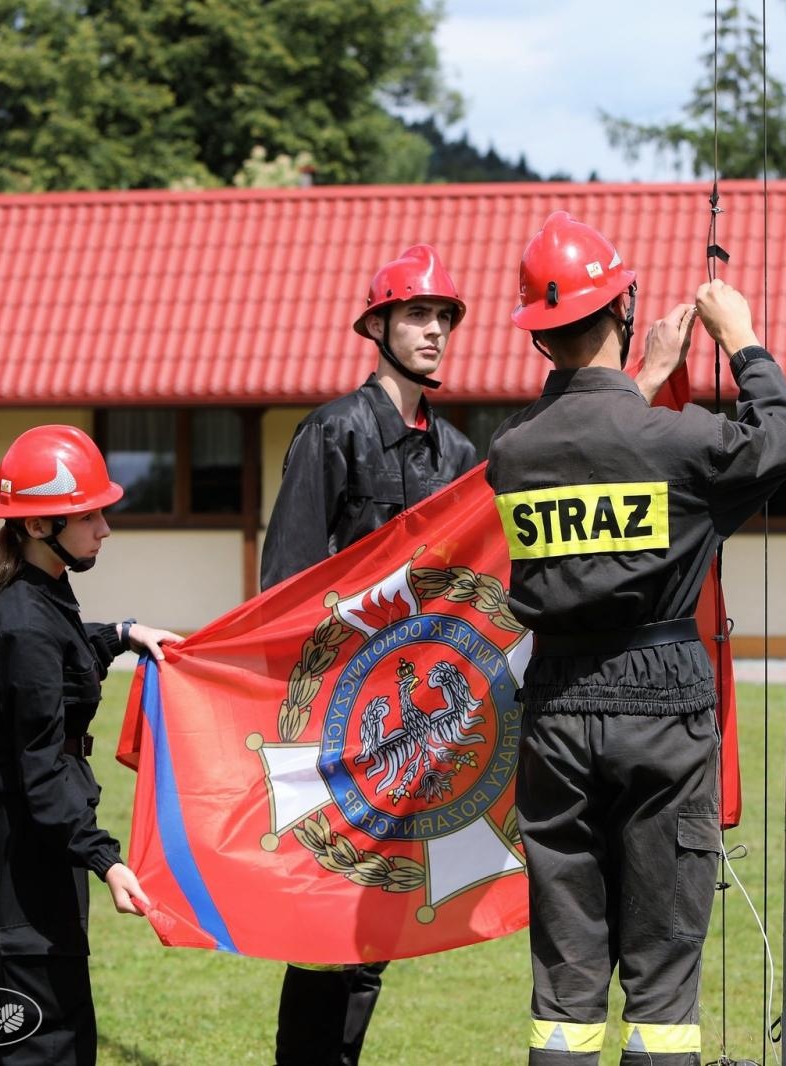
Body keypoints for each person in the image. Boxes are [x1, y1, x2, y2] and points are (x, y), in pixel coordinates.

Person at [485, 212, 786, 1066]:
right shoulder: (679, 443)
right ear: (624, 308)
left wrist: (640, 382)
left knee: (565, 986)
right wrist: (741, 339)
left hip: (554, 711)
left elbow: (591, 448)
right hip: (662, 706)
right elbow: (784, 439)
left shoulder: (513, 453)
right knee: (663, 985)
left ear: (538, 334)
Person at [261, 244, 478, 1066]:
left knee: (374, 921)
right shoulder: (334, 431)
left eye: (444, 317)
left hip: (413, 731)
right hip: (337, 722)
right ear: (377, 327)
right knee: (326, 913)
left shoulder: (458, 457)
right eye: (418, 314)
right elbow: (286, 584)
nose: (434, 330)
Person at [0, 423, 180, 1065]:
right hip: (27, 840)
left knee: (31, 1022)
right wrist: (107, 861)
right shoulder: (25, 623)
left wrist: (123, 634)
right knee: (44, 1038)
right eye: (90, 515)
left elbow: (65, 659)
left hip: (31, 833)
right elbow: (44, 766)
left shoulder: (39, 597)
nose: (104, 528)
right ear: (40, 525)